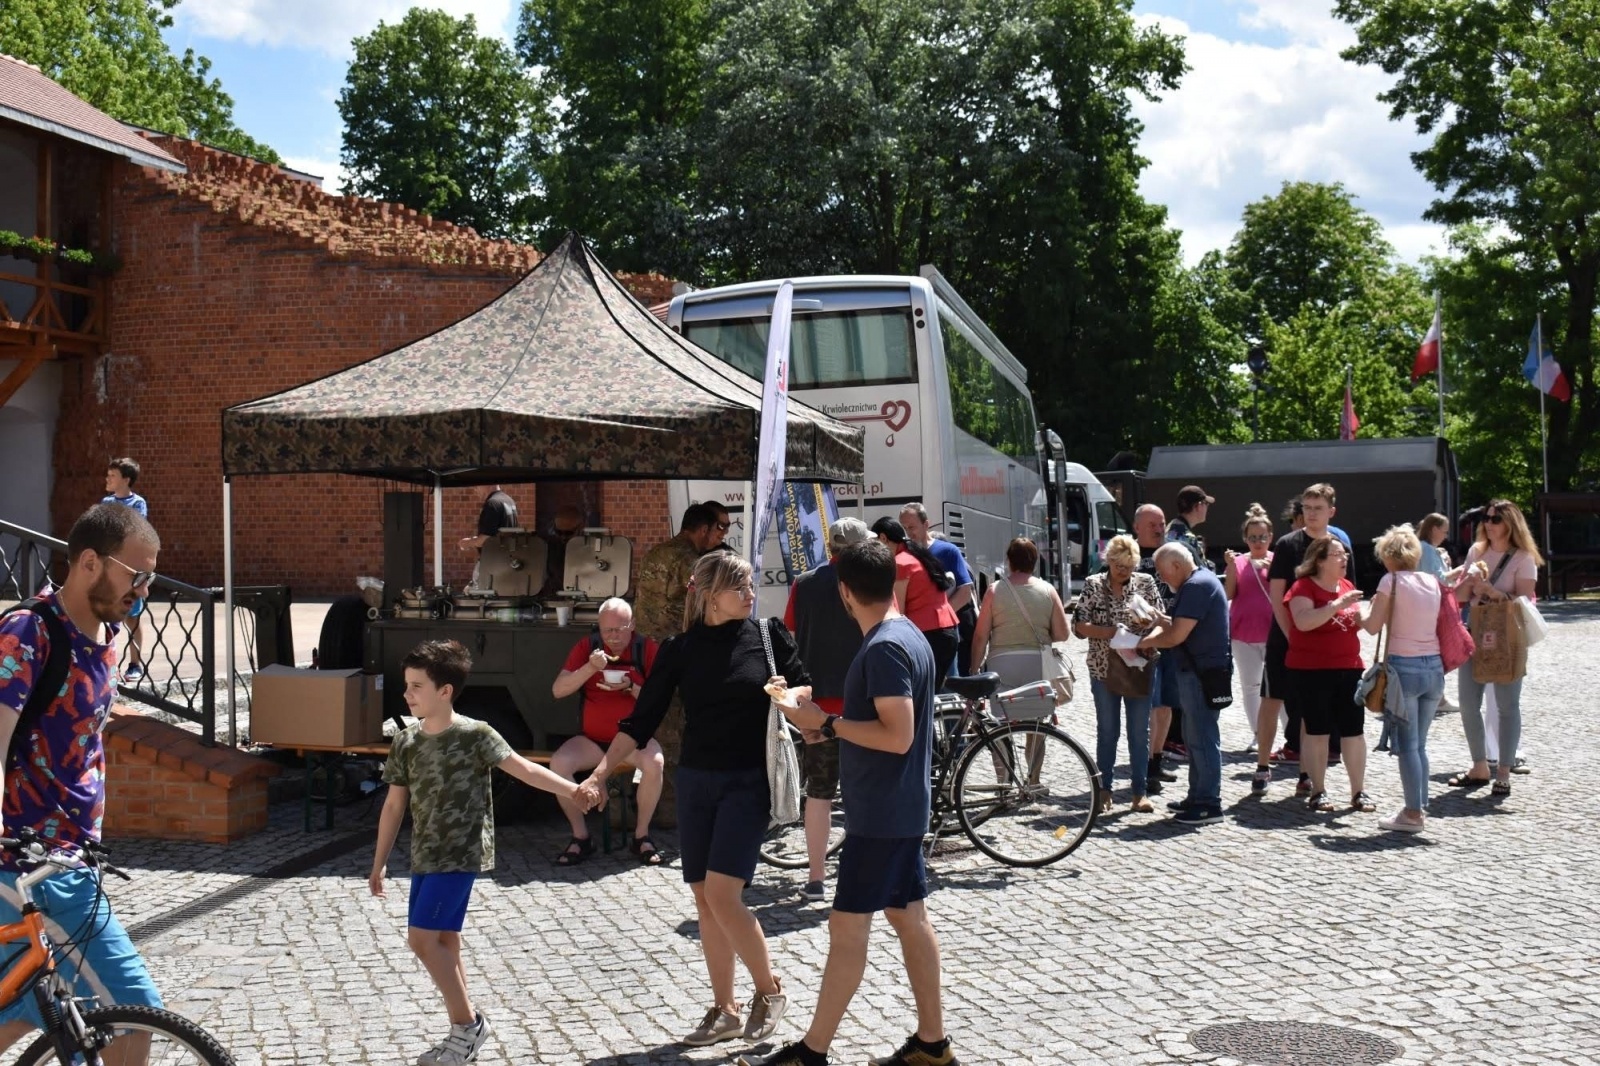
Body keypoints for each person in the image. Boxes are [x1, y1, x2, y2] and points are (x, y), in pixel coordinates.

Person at [579, 552, 807, 1047]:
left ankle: (769, 992)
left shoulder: (768, 637)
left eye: (749, 586)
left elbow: (806, 694)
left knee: (724, 895)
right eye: (740, 587)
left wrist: (789, 697)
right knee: (705, 900)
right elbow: (640, 723)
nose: (750, 594)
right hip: (698, 782)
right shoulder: (680, 649)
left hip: (748, 782)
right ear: (709, 594)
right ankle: (725, 1009)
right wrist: (598, 772)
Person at [747, 539, 955, 1066]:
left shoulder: (885, 646)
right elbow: (880, 717)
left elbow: (898, 734)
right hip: (899, 807)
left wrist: (829, 723)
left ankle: (812, 1051)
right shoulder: (905, 634)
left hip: (883, 814)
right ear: (894, 583)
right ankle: (933, 1044)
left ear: (843, 591)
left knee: (847, 930)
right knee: (910, 920)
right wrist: (808, 704)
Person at [371, 639, 592, 1066]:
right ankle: (466, 1034)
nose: (407, 694)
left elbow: (526, 770)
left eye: (416, 686)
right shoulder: (407, 741)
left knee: (421, 940)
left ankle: (466, 1026)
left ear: (445, 691)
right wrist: (378, 862)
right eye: (407, 686)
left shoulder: (476, 735)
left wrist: (574, 789)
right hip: (424, 854)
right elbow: (395, 804)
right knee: (445, 940)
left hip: (461, 853)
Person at [0, 504, 163, 1056]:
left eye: (150, 577)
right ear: (90, 561)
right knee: (133, 1013)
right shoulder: (29, 632)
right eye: (134, 575)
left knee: (34, 1008)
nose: (142, 590)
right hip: (28, 863)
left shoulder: (109, 635)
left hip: (73, 857)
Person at [783, 517, 873, 901]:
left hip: (815, 706)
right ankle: (859, 875)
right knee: (862, 792)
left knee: (818, 793)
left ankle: (816, 878)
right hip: (860, 708)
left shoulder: (804, 584)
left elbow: (789, 634)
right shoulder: (867, 584)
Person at [549, 598, 664, 866]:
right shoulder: (587, 648)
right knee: (559, 763)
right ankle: (580, 836)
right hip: (592, 740)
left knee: (655, 762)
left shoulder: (646, 649)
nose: (613, 637)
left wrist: (630, 687)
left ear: (632, 625)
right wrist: (590, 667)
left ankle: (641, 836)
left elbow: (660, 699)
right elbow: (558, 690)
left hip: (633, 740)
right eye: (607, 630)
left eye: (620, 629)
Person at [1445, 499, 1541, 797]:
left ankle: (1503, 771)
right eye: (1486, 517)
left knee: (1506, 704)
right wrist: (1470, 581)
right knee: (1469, 703)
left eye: (1495, 518)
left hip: (1508, 635)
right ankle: (1479, 765)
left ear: (1510, 522)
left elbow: (1525, 602)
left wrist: (1492, 591)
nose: (1488, 523)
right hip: (1475, 631)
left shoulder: (1523, 557)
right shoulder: (1477, 552)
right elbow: (1460, 596)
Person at [634, 502, 722, 827]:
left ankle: (646, 807)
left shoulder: (656, 552)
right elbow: (699, 609)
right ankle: (671, 813)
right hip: (674, 655)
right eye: (717, 529)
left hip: (645, 652)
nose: (718, 536)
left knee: (653, 729)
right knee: (673, 734)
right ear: (701, 530)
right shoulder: (691, 562)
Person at [1137, 544, 1232, 826]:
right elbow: (1182, 624)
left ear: (1177, 566)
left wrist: (1142, 643)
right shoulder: (1200, 580)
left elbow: (1177, 635)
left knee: (1201, 738)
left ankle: (1208, 803)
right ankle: (1198, 796)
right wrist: (1159, 619)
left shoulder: (1196, 586)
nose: (1163, 580)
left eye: (1164, 575)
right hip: (1199, 671)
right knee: (1195, 737)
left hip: (1201, 673)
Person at [1360, 526, 1444, 833]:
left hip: (1404, 669)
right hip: (1433, 668)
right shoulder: (1431, 581)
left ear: (1387, 555)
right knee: (1420, 745)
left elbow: (1372, 626)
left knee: (1408, 746)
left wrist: (1354, 612)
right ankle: (1419, 805)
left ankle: (1412, 814)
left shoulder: (1390, 580)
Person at [1071, 535, 1162, 813]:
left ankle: (1139, 792)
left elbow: (1162, 622)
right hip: (1103, 667)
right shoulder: (1093, 585)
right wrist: (1112, 634)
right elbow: (1078, 625)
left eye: (1129, 566)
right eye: (1119, 566)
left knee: (1139, 732)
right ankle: (1104, 790)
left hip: (1139, 668)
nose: (1124, 571)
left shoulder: (1145, 583)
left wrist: (1144, 640)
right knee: (1107, 731)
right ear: (1108, 561)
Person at [1284, 536, 1373, 814]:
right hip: (1312, 670)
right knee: (1317, 731)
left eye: (1345, 553)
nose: (1344, 558)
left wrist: (1380, 607)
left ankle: (1359, 791)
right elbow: (1303, 621)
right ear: (1319, 560)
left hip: (1349, 667)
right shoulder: (1303, 587)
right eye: (1336, 554)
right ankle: (1318, 790)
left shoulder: (1346, 586)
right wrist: (1337, 604)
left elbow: (1363, 625)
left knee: (1354, 732)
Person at [1265, 483, 1344, 793]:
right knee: (1275, 699)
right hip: (1287, 636)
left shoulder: (1338, 545)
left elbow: (1344, 590)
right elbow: (1276, 596)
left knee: (1315, 708)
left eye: (1317, 508)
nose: (1311, 514)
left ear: (1331, 512)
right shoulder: (1288, 544)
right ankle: (1262, 766)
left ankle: (1308, 775)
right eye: (1307, 508)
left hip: (1324, 642)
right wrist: (1293, 635)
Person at [972, 536, 1071, 712]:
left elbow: (981, 636)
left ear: (1008, 561)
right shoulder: (1048, 591)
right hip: (1037, 662)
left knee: (1002, 720)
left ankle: (1003, 739)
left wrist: (974, 668)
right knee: (1036, 720)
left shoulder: (994, 590)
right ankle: (1033, 739)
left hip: (1001, 662)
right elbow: (1063, 634)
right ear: (1034, 562)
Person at [1224, 503, 1279, 789]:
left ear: (1271, 537)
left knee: (1278, 688)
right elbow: (1229, 593)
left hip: (1273, 633)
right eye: (1252, 537)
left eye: (1262, 537)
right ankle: (1259, 734)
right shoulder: (1239, 561)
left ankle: (1286, 737)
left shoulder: (1278, 559)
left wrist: (1273, 568)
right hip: (1244, 632)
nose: (1258, 542)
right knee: (1250, 687)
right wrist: (1232, 567)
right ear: (1245, 539)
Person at [871, 518, 960, 685]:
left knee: (919, 694)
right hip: (944, 631)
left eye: (874, 543)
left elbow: (898, 612)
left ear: (883, 538)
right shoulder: (916, 555)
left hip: (929, 633)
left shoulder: (900, 563)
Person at [899, 503, 977, 676]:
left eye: (912, 527)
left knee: (948, 684)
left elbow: (965, 592)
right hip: (914, 632)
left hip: (943, 632)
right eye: (904, 528)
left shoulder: (948, 551)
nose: (909, 533)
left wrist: (939, 616)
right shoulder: (903, 555)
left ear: (926, 524)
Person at [1133, 504, 1178, 794]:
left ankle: (1156, 761)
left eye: (1162, 522)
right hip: (1142, 646)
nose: (1159, 528)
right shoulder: (1128, 556)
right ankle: (1144, 763)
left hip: (1172, 640)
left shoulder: (1172, 554)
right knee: (1149, 707)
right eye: (1153, 524)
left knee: (1166, 706)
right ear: (1138, 527)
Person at [102, 458, 150, 681]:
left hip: (131, 569)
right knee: (107, 615)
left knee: (132, 617)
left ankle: (135, 663)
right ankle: (107, 662)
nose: (108, 479)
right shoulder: (106, 502)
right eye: (108, 475)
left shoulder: (138, 503)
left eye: (113, 475)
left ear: (126, 479)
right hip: (111, 568)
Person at [456, 485, 518, 554]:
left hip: (493, 559)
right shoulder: (509, 500)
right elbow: (495, 533)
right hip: (508, 557)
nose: (475, 489)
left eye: (477, 486)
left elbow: (486, 540)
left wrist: (467, 543)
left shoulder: (492, 503)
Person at [1166, 485, 1214, 570]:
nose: (1207, 507)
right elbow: (1203, 572)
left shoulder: (1170, 528)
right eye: (1206, 503)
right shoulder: (1189, 539)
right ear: (1198, 506)